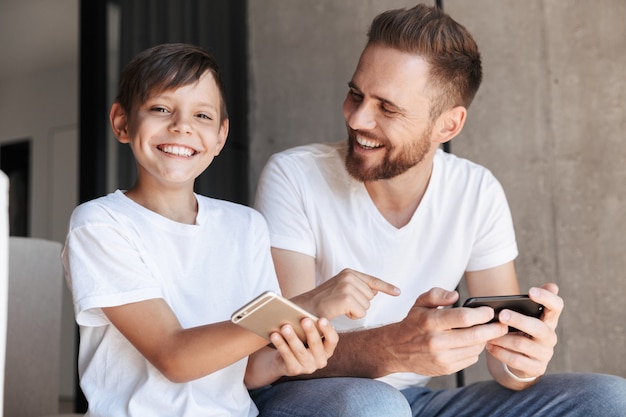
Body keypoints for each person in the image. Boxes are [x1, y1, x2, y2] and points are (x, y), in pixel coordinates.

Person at [253, 4, 626, 416]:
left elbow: (504, 364)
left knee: (609, 399)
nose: (357, 118)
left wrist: (523, 361)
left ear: (447, 126)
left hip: (415, 404)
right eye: (356, 94)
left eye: (387, 108)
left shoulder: (476, 190)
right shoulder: (294, 176)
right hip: (311, 395)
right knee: (373, 405)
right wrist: (393, 348)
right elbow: (281, 353)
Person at [61, 43, 404, 417]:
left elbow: (247, 369)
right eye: (161, 109)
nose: (182, 126)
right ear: (122, 122)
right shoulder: (100, 224)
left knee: (380, 404)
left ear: (221, 137)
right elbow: (175, 358)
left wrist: (288, 360)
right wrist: (305, 303)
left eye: (203, 116)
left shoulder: (246, 226)